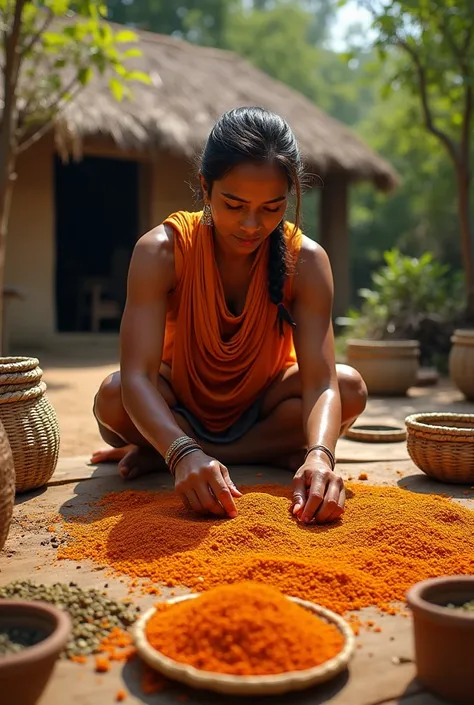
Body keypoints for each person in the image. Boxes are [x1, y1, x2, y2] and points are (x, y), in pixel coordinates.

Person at [91, 106, 367, 525]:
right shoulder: (161, 251)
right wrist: (183, 451)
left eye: (272, 208)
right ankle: (214, 450)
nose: (252, 225)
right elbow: (137, 379)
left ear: (289, 198)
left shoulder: (307, 260)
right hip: (182, 401)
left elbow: (321, 381)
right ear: (205, 187)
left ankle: (168, 450)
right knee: (112, 400)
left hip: (265, 408)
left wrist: (319, 456)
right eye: (234, 205)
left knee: (350, 387)